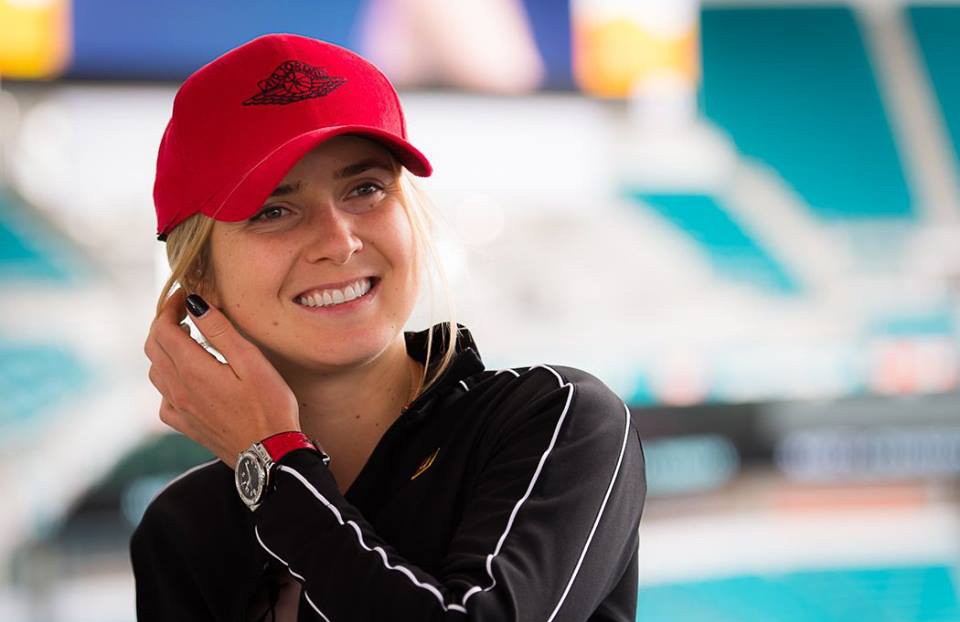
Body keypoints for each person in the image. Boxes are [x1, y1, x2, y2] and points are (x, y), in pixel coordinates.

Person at [132, 33, 646, 621]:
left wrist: (273, 466)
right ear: (198, 275)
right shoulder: (183, 527)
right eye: (274, 210)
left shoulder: (556, 419)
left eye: (366, 189)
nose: (340, 241)